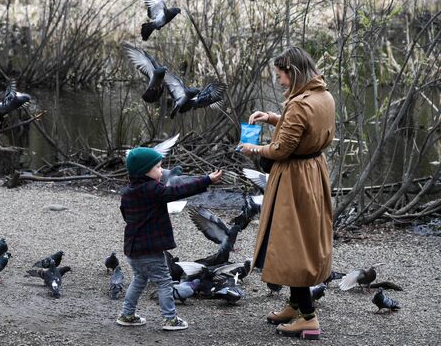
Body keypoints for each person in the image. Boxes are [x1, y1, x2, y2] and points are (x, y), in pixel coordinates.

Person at [238, 46, 335, 340]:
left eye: (280, 75)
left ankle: (308, 319)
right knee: (301, 238)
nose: (279, 81)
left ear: (292, 72)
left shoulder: (300, 104)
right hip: (314, 173)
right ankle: (295, 305)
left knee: (293, 243)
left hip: (294, 177)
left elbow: (282, 149)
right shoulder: (323, 96)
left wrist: (252, 148)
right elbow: (306, 131)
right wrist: (271, 117)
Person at [117, 146, 223, 331]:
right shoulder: (153, 189)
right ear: (145, 171)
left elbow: (126, 216)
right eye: (158, 167)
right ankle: (170, 319)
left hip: (133, 249)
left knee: (139, 279)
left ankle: (127, 314)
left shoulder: (128, 192)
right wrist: (206, 180)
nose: (161, 171)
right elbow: (178, 191)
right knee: (165, 281)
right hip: (150, 250)